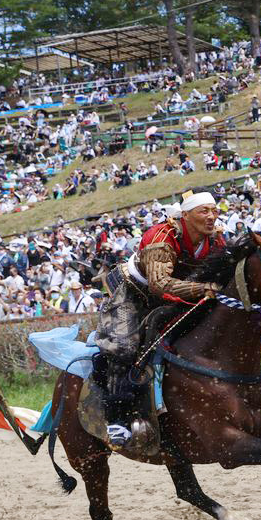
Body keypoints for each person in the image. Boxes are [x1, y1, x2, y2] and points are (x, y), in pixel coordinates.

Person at [93, 193, 225, 451]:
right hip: (133, 293)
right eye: (203, 211)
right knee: (123, 346)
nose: (211, 216)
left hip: (180, 293)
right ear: (185, 216)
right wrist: (204, 288)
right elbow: (159, 284)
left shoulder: (216, 239)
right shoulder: (161, 237)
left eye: (214, 210)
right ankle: (117, 419)